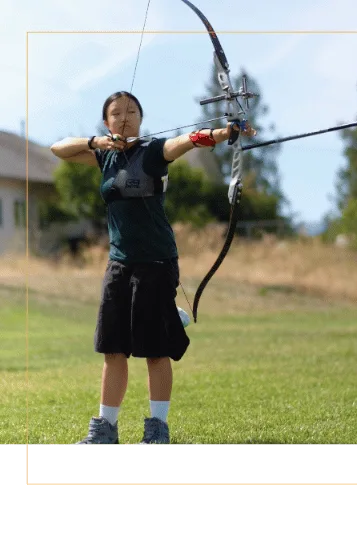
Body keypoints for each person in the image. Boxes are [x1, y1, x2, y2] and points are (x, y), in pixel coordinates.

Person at [50, 90, 257, 446]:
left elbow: (188, 140)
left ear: (141, 118)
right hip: (119, 264)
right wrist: (95, 141)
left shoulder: (153, 151)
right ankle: (105, 431)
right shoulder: (103, 157)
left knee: (155, 349)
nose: (124, 117)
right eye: (116, 113)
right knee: (112, 347)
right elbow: (59, 149)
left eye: (131, 111)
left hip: (156, 264)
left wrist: (225, 133)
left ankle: (157, 430)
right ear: (107, 121)